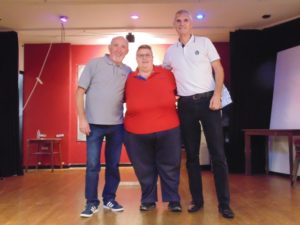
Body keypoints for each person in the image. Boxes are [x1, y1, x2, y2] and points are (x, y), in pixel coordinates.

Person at [163, 9, 234, 219]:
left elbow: (219, 70)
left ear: (191, 24)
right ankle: (198, 200)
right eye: (178, 20)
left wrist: (218, 95)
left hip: (209, 102)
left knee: (218, 154)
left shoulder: (204, 43)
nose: (182, 23)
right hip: (185, 106)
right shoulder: (170, 52)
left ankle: (224, 204)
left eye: (186, 20)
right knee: (191, 156)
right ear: (174, 24)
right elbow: (165, 77)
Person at [76, 36, 131, 218]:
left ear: (127, 51)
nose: (119, 49)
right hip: (93, 125)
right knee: (93, 165)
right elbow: (79, 92)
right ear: (109, 47)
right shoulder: (94, 64)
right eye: (116, 45)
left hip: (117, 126)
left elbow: (129, 97)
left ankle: (109, 199)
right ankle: (91, 202)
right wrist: (82, 119)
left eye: (123, 46)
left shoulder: (127, 70)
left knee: (113, 165)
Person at [124, 45, 182, 212]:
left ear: (152, 57)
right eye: (140, 55)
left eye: (147, 55)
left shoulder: (167, 74)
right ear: (136, 59)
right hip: (136, 131)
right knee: (144, 168)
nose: (144, 58)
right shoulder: (129, 78)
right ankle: (148, 200)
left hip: (168, 128)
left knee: (170, 165)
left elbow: (180, 92)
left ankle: (173, 200)